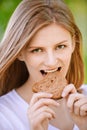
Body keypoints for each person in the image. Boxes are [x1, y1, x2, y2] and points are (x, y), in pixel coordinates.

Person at [0, 0, 87, 130]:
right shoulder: (4, 115)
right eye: (37, 50)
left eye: (60, 46)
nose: (51, 62)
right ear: (20, 53)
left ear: (73, 44)